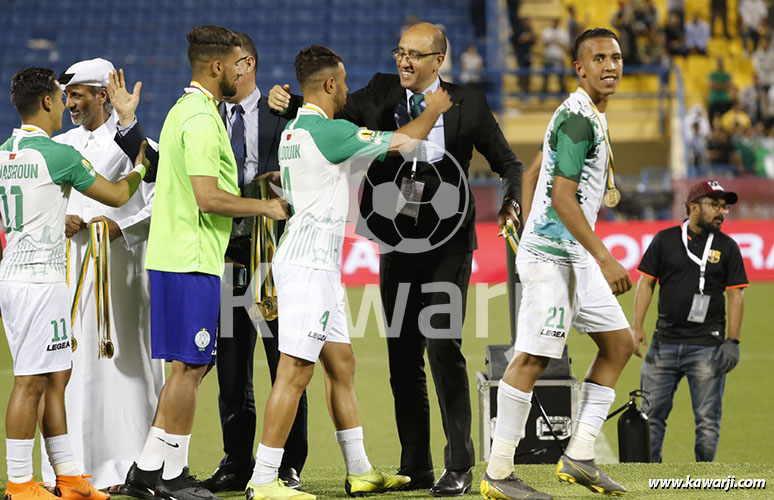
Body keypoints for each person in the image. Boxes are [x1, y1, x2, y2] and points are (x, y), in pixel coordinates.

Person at [268, 22, 523, 497]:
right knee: (402, 357)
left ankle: (460, 463)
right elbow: (331, 119)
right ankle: (416, 466)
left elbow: (509, 162)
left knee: (443, 348)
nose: (403, 61)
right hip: (396, 247)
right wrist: (286, 106)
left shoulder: (467, 101)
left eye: (414, 54)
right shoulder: (382, 91)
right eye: (399, 52)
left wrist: (511, 199)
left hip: (447, 247)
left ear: (438, 60)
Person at [246, 44, 451, 500]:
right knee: (295, 371)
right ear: (330, 84)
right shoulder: (331, 130)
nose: (347, 91)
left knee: (342, 364)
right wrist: (433, 109)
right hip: (307, 268)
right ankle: (262, 481)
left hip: (317, 266)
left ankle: (359, 470)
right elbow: (404, 142)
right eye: (343, 81)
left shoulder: (295, 131)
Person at [113, 31, 310, 493]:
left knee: (250, 363)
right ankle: (190, 471)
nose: (238, 72)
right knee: (204, 368)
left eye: (245, 64)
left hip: (246, 257)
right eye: (231, 64)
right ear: (220, 67)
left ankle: (151, 470)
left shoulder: (208, 111)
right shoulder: (202, 118)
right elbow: (199, 191)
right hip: (203, 256)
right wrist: (266, 206)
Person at [481, 28, 634, 500]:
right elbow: (564, 199)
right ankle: (498, 472)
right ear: (579, 68)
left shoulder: (587, 114)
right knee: (533, 358)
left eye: (616, 57)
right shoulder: (578, 121)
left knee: (620, 344)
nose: (610, 65)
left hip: (570, 257)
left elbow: (532, 171)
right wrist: (603, 256)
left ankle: (580, 455)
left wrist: (527, 227)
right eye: (599, 58)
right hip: (556, 260)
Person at [0, 66, 147, 500]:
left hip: (20, 275)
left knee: (56, 376)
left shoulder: (7, 151)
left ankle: (67, 476)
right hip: (40, 281)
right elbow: (119, 196)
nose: (65, 106)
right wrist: (139, 168)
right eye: (61, 97)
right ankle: (21, 482)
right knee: (30, 382)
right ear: (46, 102)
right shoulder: (58, 154)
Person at [34, 58, 163, 490]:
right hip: (70, 272)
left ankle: (134, 464)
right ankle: (72, 467)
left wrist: (119, 227)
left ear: (102, 96)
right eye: (67, 96)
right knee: (70, 363)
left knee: (126, 363)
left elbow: (157, 202)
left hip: (122, 275)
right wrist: (61, 220)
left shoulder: (136, 143)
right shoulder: (63, 144)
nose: (69, 103)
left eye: (78, 95)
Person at [633, 180, 748, 462]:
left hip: (708, 347)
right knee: (651, 420)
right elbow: (646, 283)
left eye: (724, 207)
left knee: (707, 425)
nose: (721, 212)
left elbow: (736, 295)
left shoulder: (728, 247)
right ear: (693, 206)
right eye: (714, 205)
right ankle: (649, 481)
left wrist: (732, 341)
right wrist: (636, 326)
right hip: (663, 345)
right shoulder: (664, 239)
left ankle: (703, 483)